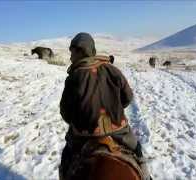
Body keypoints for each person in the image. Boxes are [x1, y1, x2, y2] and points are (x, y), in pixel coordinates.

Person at [59, 32, 150, 179]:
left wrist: (80, 120)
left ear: (81, 51)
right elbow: (127, 98)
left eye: (73, 52)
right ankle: (146, 176)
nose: (70, 57)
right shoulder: (113, 70)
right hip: (119, 131)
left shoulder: (74, 78)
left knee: (67, 158)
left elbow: (66, 113)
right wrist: (114, 109)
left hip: (84, 134)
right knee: (137, 151)